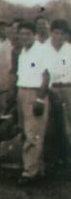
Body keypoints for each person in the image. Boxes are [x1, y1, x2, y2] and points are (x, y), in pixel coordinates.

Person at [14, 20, 54, 185]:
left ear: (34, 35)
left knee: (33, 133)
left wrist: (39, 98)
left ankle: (30, 172)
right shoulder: (23, 51)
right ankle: (36, 168)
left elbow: (46, 76)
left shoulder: (43, 50)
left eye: (28, 34)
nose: (24, 37)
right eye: (21, 34)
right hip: (22, 91)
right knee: (25, 131)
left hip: (35, 92)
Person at [47, 20, 71, 167]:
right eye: (56, 32)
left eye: (62, 34)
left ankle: (67, 159)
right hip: (49, 89)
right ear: (51, 33)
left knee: (67, 125)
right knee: (50, 126)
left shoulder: (69, 49)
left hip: (68, 89)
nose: (59, 36)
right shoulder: (43, 49)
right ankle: (52, 159)